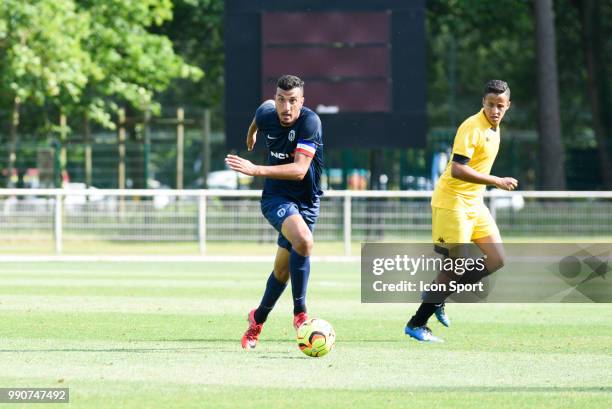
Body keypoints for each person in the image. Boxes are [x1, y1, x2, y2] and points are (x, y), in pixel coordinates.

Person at [405, 79, 518, 342]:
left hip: (474, 204)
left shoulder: (495, 128)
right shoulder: (472, 127)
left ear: (508, 106)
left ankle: (438, 296)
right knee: (455, 268)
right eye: (490, 104)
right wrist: (496, 181)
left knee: (496, 259)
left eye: (500, 105)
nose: (495, 110)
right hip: (452, 202)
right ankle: (417, 323)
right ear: (483, 103)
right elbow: (457, 168)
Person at [225, 74, 323, 350]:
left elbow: (300, 170)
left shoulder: (310, 122)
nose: (286, 107)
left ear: (302, 102)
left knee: (282, 270)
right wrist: (251, 135)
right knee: (303, 240)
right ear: (276, 99)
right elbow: (259, 115)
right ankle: (300, 313)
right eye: (281, 99)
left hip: (307, 200)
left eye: (293, 101)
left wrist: (255, 169)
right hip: (276, 197)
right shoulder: (268, 112)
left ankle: (257, 319)